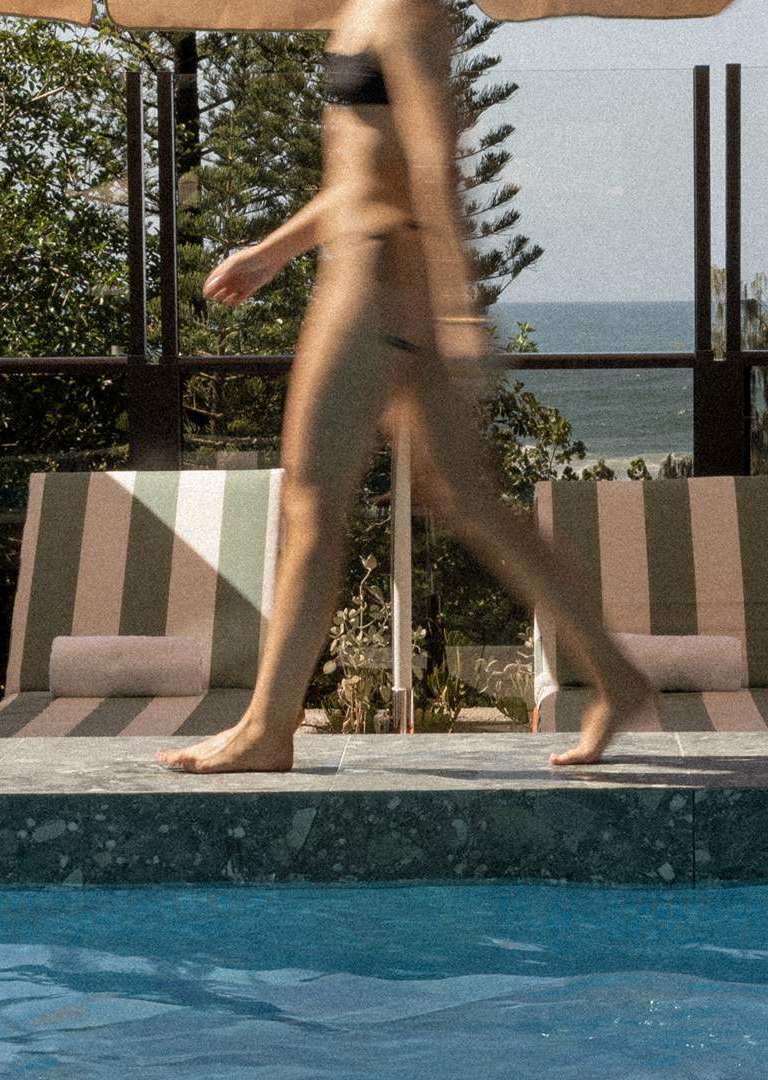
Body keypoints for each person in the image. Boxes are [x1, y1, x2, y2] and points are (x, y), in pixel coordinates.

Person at [156, 0, 652, 773]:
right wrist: (271, 252)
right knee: (473, 501)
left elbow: (430, 158)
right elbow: (366, 172)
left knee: (311, 500)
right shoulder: (370, 8)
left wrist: (458, 311)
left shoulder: (403, 11)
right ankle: (617, 677)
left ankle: (265, 728)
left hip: (373, 277)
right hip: (381, 266)